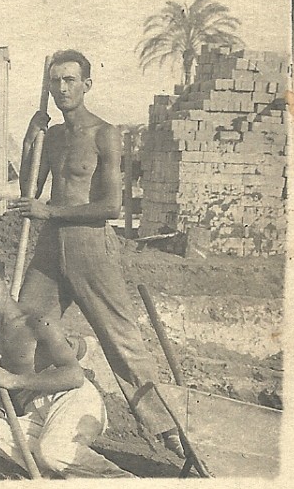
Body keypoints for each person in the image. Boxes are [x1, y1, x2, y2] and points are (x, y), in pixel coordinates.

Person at [12, 49, 183, 457]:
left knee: (122, 342)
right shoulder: (52, 136)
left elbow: (111, 207)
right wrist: (29, 138)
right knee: (22, 326)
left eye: (70, 80)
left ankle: (172, 434)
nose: (62, 88)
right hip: (52, 246)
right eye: (55, 81)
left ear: (87, 84)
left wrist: (49, 211)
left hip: (90, 243)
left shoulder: (104, 133)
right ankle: (33, 412)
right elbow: (29, 191)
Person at [0, 253, 134, 478]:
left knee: (52, 451)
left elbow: (74, 375)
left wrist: (15, 380)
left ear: (6, 281)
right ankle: (56, 476)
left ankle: (126, 482)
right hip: (31, 411)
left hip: (69, 397)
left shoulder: (36, 322)